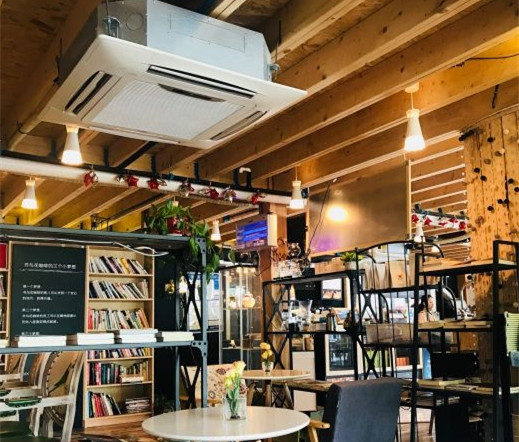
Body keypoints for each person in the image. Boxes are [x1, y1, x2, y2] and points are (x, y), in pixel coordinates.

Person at [417, 294, 437, 379]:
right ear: (424, 303)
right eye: (430, 302)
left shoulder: (430, 314)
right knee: (427, 363)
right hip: (425, 342)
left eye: (432, 302)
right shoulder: (421, 315)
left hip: (431, 341)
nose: (432, 304)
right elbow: (423, 330)